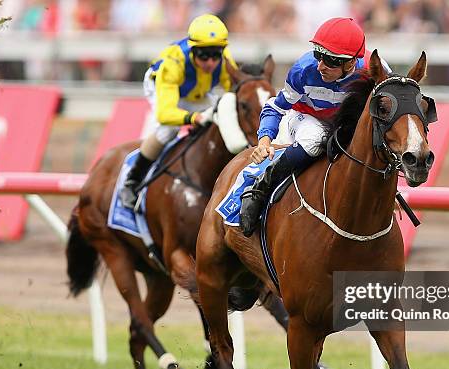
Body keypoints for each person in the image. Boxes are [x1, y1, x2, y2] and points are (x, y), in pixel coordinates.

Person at [239, 17, 391, 236]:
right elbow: (276, 107)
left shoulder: (374, 68)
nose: (320, 65)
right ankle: (260, 188)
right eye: (318, 55)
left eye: (329, 60)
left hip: (347, 124)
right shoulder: (303, 70)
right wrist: (264, 140)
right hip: (307, 118)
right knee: (316, 138)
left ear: (350, 63)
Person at [120, 13, 237, 209]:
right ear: (192, 51)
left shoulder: (224, 61)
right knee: (168, 130)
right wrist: (193, 117)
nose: (210, 62)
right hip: (163, 89)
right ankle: (132, 181)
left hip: (197, 93)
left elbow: (234, 90)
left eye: (216, 54)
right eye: (203, 55)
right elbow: (165, 114)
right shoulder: (174, 64)